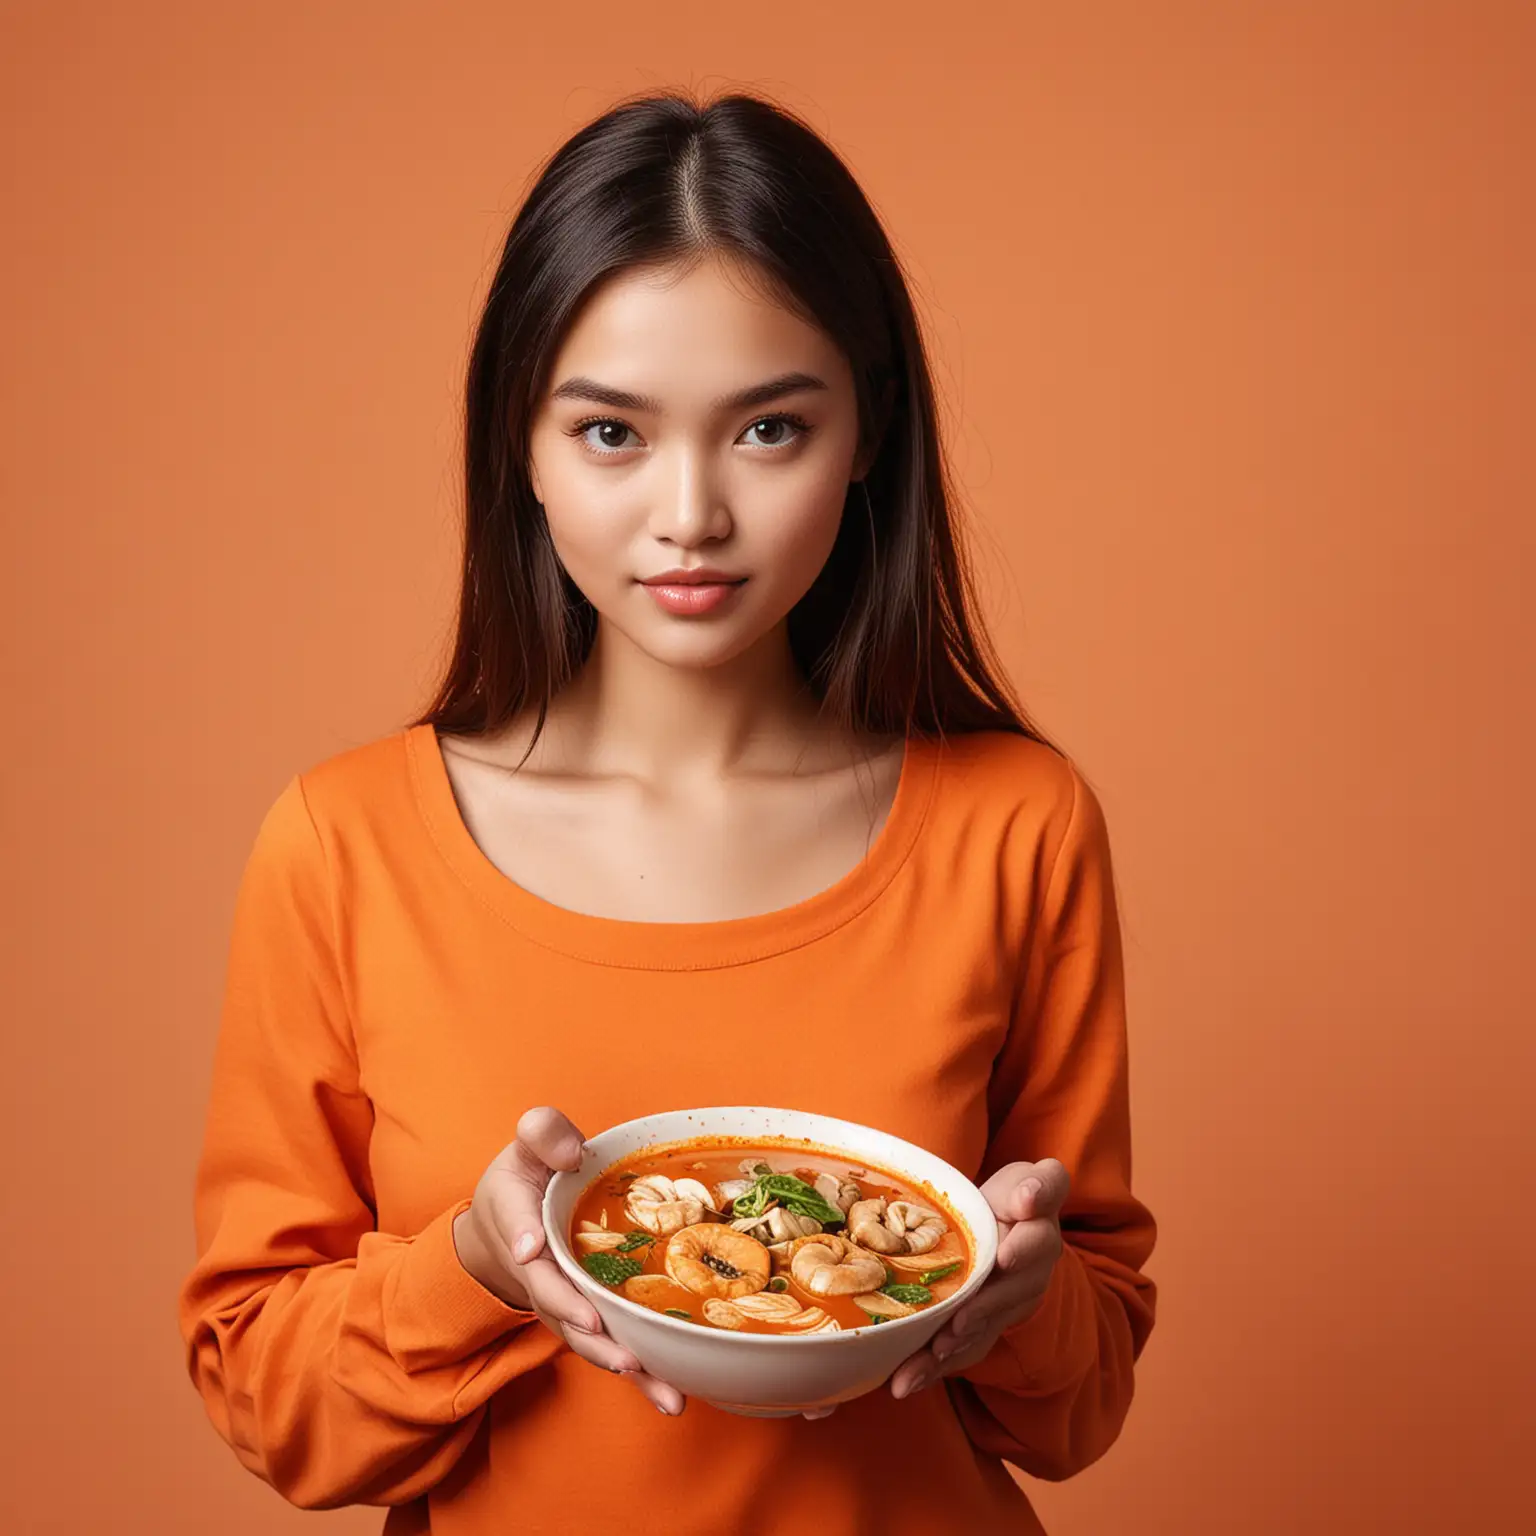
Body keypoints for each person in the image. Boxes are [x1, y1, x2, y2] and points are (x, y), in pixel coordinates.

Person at [177, 88, 1158, 1535]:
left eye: (767, 429)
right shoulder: (345, 846)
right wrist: (479, 1266)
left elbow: (1083, 1406)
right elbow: (271, 1405)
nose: (690, 512)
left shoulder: (1016, 825)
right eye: (612, 434)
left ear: (869, 434)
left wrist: (1023, 1296)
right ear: (520, 442)